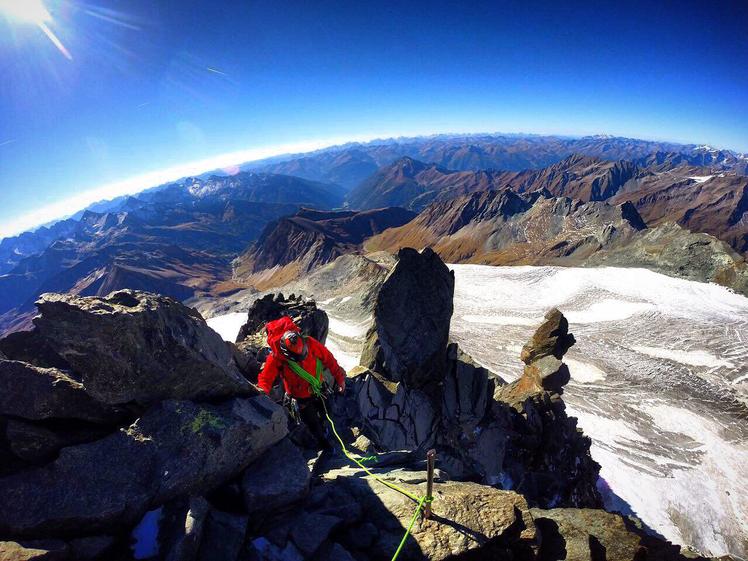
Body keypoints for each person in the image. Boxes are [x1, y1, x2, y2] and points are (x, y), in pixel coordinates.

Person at [258, 316, 346, 448]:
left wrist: (340, 379)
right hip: (301, 398)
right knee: (312, 423)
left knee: (327, 412)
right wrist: (262, 395)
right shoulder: (277, 358)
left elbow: (328, 358)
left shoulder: (309, 343)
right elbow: (265, 378)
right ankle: (324, 444)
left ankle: (325, 431)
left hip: (319, 388)